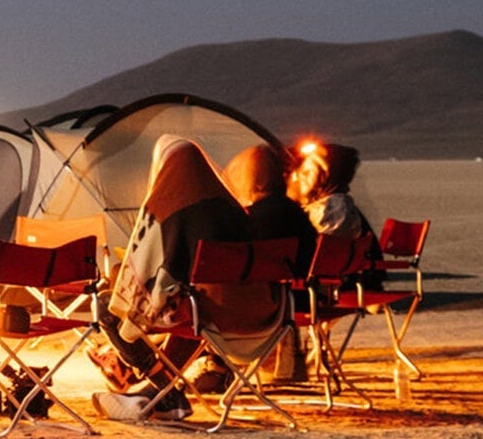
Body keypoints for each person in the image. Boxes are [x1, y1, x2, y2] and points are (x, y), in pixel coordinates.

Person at [94, 137, 274, 422]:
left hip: (211, 317)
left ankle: (162, 388)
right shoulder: (235, 209)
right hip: (265, 315)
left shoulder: (169, 209)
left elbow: (150, 269)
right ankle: (160, 391)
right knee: (191, 302)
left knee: (108, 306)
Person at [224, 143, 322, 385]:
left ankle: (217, 367)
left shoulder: (252, 218)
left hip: (269, 304)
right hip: (305, 298)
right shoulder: (296, 213)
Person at [292, 142, 381, 291]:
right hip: (342, 281)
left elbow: (321, 257)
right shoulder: (340, 207)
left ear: (323, 177)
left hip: (328, 286)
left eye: (306, 173)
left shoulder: (332, 212)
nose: (297, 178)